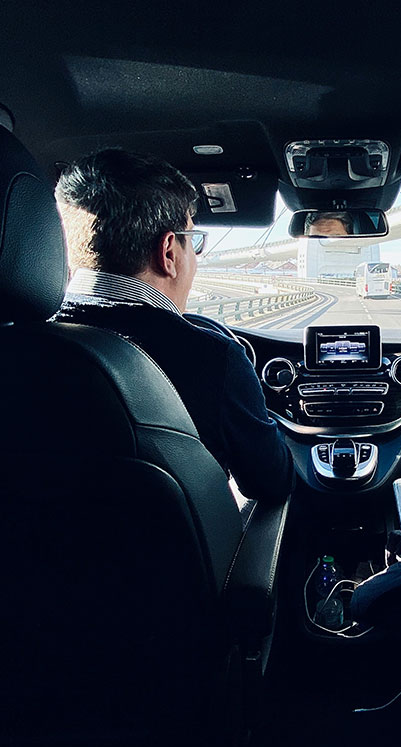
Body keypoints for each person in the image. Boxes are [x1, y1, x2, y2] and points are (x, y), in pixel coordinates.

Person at [53, 148, 294, 503]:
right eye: (192, 241)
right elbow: (272, 485)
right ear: (169, 252)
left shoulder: (17, 345)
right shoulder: (215, 360)